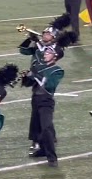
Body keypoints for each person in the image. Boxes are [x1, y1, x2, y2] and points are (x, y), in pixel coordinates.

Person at [19, 15, 74, 163]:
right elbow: (23, 51)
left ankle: (47, 146)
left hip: (44, 83)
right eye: (43, 33)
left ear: (54, 37)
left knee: (45, 121)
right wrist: (31, 39)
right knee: (37, 116)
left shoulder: (56, 51)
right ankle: (41, 142)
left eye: (47, 34)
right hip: (36, 82)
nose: (44, 35)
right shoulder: (40, 45)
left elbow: (48, 57)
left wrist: (40, 44)